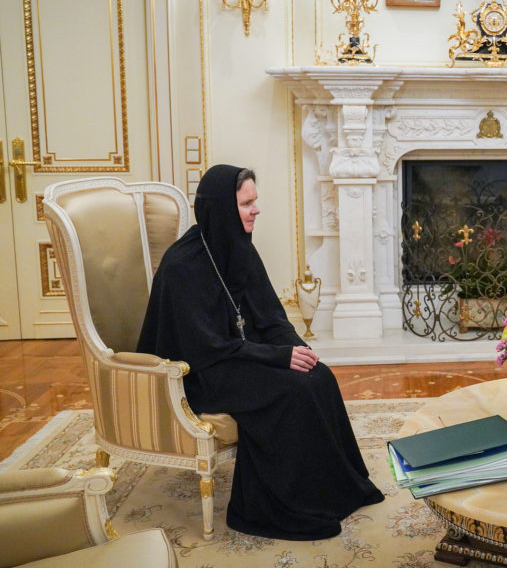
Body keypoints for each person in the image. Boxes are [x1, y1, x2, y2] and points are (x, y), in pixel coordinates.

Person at [137, 164, 384, 540]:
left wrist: (297, 349)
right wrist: (278, 358)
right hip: (201, 373)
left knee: (318, 376)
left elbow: (270, 316)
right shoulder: (181, 265)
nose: (256, 210)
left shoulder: (240, 248)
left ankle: (337, 492)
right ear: (221, 207)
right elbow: (205, 346)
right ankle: (275, 508)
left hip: (237, 356)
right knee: (291, 391)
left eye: (255, 201)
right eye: (246, 203)